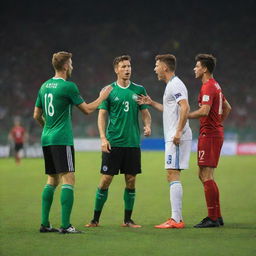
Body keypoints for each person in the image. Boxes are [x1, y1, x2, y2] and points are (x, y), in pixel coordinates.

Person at [33, 51, 112, 234]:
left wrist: (47, 127)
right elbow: (87, 110)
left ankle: (45, 224)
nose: (73, 66)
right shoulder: (68, 86)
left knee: (52, 179)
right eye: (72, 63)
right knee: (68, 178)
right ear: (66, 65)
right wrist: (103, 97)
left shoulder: (44, 86)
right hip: (61, 139)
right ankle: (66, 225)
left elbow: (36, 115)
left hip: (47, 137)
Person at [85, 55, 151, 228]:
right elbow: (101, 116)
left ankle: (128, 220)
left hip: (132, 143)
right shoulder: (108, 90)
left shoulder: (139, 89)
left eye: (129, 66)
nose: (127, 69)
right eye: (123, 66)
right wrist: (103, 138)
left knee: (130, 180)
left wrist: (147, 126)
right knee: (106, 179)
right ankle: (95, 219)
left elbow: (145, 112)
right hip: (113, 143)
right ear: (116, 69)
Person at [138, 54, 192, 229]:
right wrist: (151, 102)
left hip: (176, 137)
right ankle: (176, 218)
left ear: (165, 68)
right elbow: (171, 109)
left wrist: (177, 131)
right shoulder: (171, 85)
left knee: (172, 173)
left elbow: (185, 107)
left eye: (156, 65)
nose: (155, 69)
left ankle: (176, 219)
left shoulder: (175, 84)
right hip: (173, 136)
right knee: (172, 174)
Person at [188, 54, 231, 228]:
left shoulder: (208, 87)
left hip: (210, 135)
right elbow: (227, 107)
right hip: (212, 132)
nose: (194, 68)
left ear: (204, 68)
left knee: (206, 175)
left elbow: (204, 111)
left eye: (197, 66)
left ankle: (213, 218)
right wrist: (218, 123)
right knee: (204, 174)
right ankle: (217, 216)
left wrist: (185, 116)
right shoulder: (216, 85)